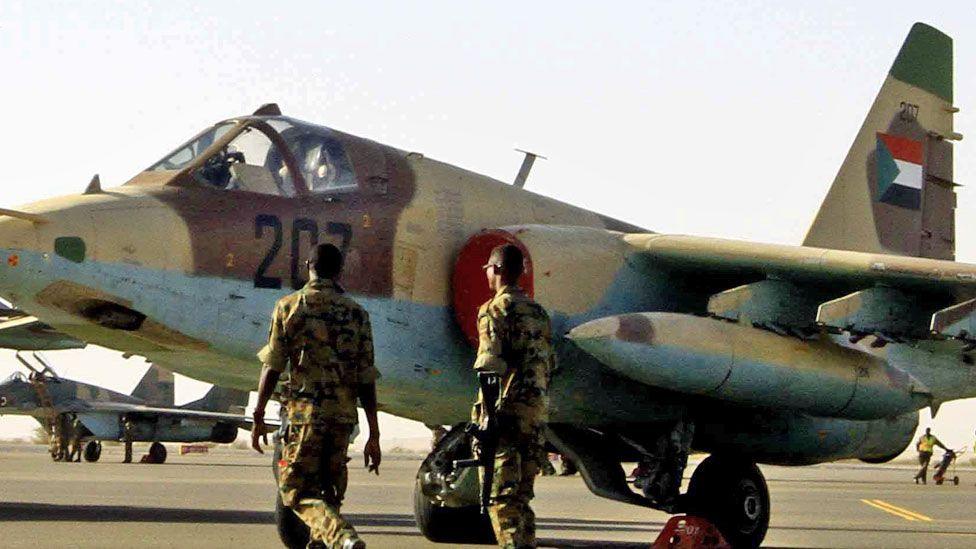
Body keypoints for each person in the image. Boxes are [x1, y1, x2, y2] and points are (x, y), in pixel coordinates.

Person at [251, 243, 381, 549]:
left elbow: (272, 367)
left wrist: (258, 415)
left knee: (294, 491)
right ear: (340, 271)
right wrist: (374, 433)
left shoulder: (289, 306)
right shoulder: (357, 314)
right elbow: (366, 378)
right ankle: (324, 542)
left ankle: (342, 537)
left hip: (305, 416)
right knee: (329, 493)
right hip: (342, 418)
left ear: (308, 266)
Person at [471, 244, 554, 549]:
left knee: (500, 499)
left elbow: (489, 370)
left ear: (498, 270)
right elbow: (550, 365)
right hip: (536, 414)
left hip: (505, 415)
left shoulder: (494, 310)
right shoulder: (539, 313)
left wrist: (486, 421)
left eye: (489, 270)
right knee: (522, 498)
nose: (487, 276)